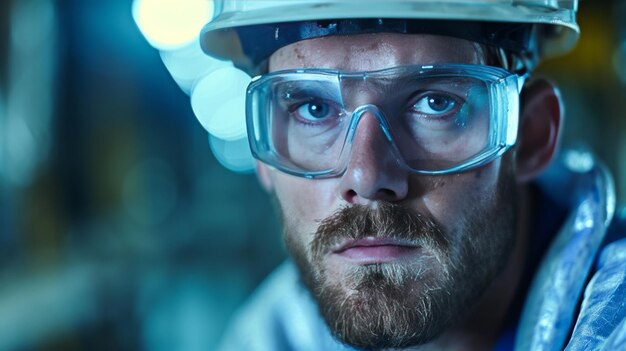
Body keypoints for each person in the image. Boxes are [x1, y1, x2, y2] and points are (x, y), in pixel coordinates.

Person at [196, 1, 626, 350]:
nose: (365, 177)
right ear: (264, 159)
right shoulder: (271, 336)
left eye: (437, 103)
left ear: (530, 137)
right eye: (313, 108)